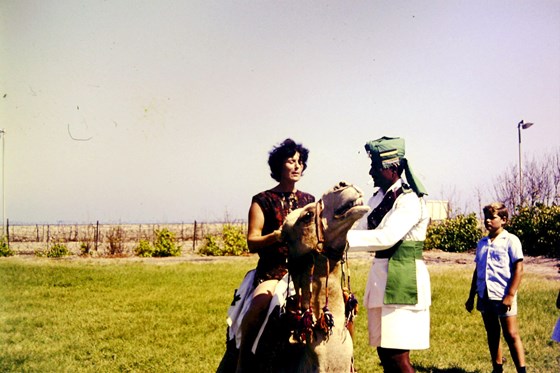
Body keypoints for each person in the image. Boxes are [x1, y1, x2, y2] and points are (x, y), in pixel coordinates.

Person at [346, 136, 431, 373]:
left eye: (375, 166)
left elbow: (386, 237)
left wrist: (339, 242)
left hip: (403, 281)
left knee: (398, 358)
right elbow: (361, 229)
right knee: (385, 353)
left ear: (392, 168)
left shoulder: (409, 200)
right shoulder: (378, 198)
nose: (371, 172)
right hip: (382, 281)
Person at [236, 138, 315, 373]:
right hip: (273, 271)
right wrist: (276, 237)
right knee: (259, 306)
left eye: (300, 162)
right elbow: (252, 242)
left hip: (304, 271)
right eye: (291, 161)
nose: (297, 166)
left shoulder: (309, 201)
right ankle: (242, 361)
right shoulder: (262, 200)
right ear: (279, 166)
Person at [465, 202, 526, 373]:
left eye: (493, 218)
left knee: (511, 334)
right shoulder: (482, 243)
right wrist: (472, 296)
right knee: (492, 333)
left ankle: (522, 370)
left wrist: (510, 294)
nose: (488, 221)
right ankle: (497, 368)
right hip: (485, 295)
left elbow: (519, 269)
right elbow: (478, 271)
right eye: (486, 218)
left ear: (504, 220)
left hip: (503, 295)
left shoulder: (511, 241)